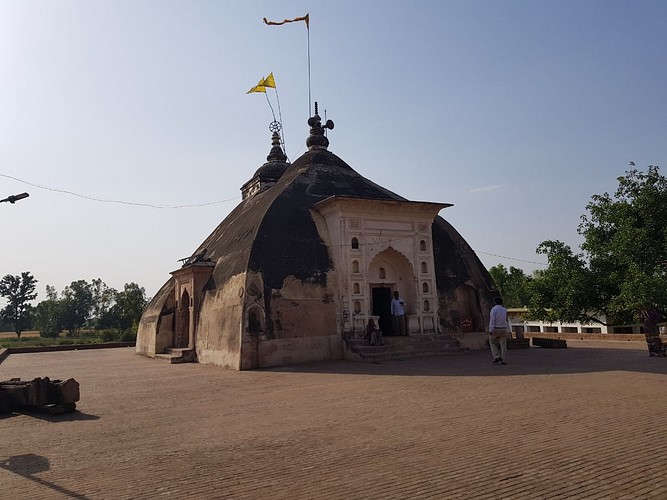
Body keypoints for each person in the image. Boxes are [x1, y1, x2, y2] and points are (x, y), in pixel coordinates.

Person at [488, 297, 509, 365]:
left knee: (492, 342)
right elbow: (506, 320)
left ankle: (497, 356)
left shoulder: (494, 309)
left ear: (495, 302)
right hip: (503, 328)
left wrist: (490, 329)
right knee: (503, 345)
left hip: (496, 328)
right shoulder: (504, 310)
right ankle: (504, 359)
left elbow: (492, 320)